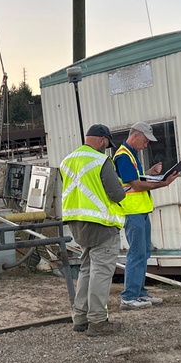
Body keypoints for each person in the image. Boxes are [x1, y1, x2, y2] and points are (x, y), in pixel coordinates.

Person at [59, 124, 126, 336]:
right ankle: (98, 321)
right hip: (101, 225)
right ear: (100, 140)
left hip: (77, 224)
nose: (107, 148)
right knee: (101, 272)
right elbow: (116, 194)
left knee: (87, 269)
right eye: (107, 144)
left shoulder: (67, 160)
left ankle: (80, 318)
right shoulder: (100, 161)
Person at [113, 122, 179, 310]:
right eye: (145, 140)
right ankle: (129, 296)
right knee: (137, 253)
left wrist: (150, 173)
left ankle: (139, 293)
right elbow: (136, 185)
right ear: (135, 136)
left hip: (140, 211)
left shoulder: (131, 155)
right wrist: (163, 183)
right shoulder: (123, 156)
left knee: (143, 252)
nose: (147, 144)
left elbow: (136, 179)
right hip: (133, 211)